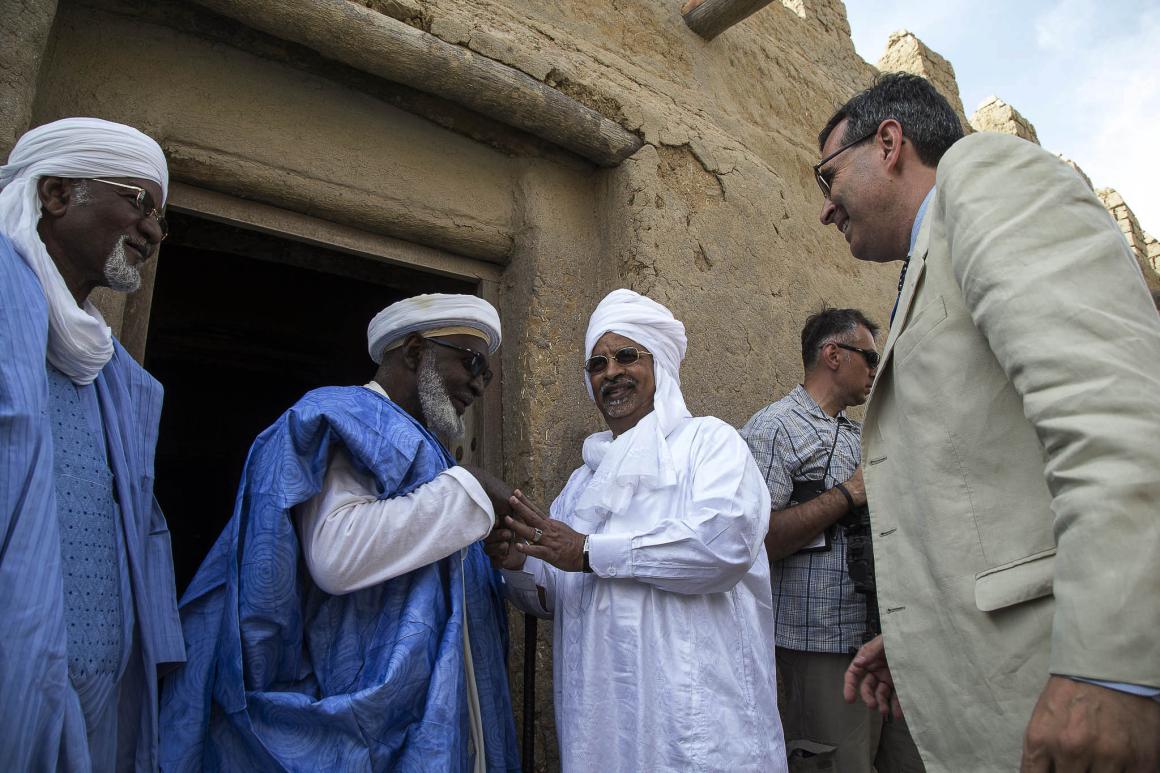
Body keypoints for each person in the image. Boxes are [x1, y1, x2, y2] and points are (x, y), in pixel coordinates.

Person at [814, 72, 1160, 772]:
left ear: (889, 143)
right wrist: (928, 633)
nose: (826, 209)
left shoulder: (984, 180)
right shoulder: (928, 258)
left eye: (827, 177)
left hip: (1078, 692)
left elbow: (1114, 414)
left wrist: (1111, 666)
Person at [159, 294, 520, 772]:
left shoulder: (429, 447)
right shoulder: (347, 416)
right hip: (365, 719)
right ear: (414, 351)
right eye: (471, 362)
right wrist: (470, 489)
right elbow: (336, 553)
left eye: (487, 374)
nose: (477, 384)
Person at [486, 289, 787, 772]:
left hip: (694, 724)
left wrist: (588, 551)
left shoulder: (709, 444)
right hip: (604, 725)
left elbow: (720, 547)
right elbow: (557, 595)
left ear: (660, 365)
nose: (611, 372)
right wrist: (520, 563)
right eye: (597, 364)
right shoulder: (583, 482)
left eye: (627, 356)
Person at [0, 117, 185, 770]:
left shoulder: (114, 379)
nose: (155, 231)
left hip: (95, 713)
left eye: (161, 215)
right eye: (140, 203)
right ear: (56, 194)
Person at [740, 308, 922, 772]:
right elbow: (755, 542)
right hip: (817, 647)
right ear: (833, 355)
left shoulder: (860, 434)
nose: (875, 371)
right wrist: (848, 494)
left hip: (884, 642)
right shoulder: (774, 428)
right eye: (870, 357)